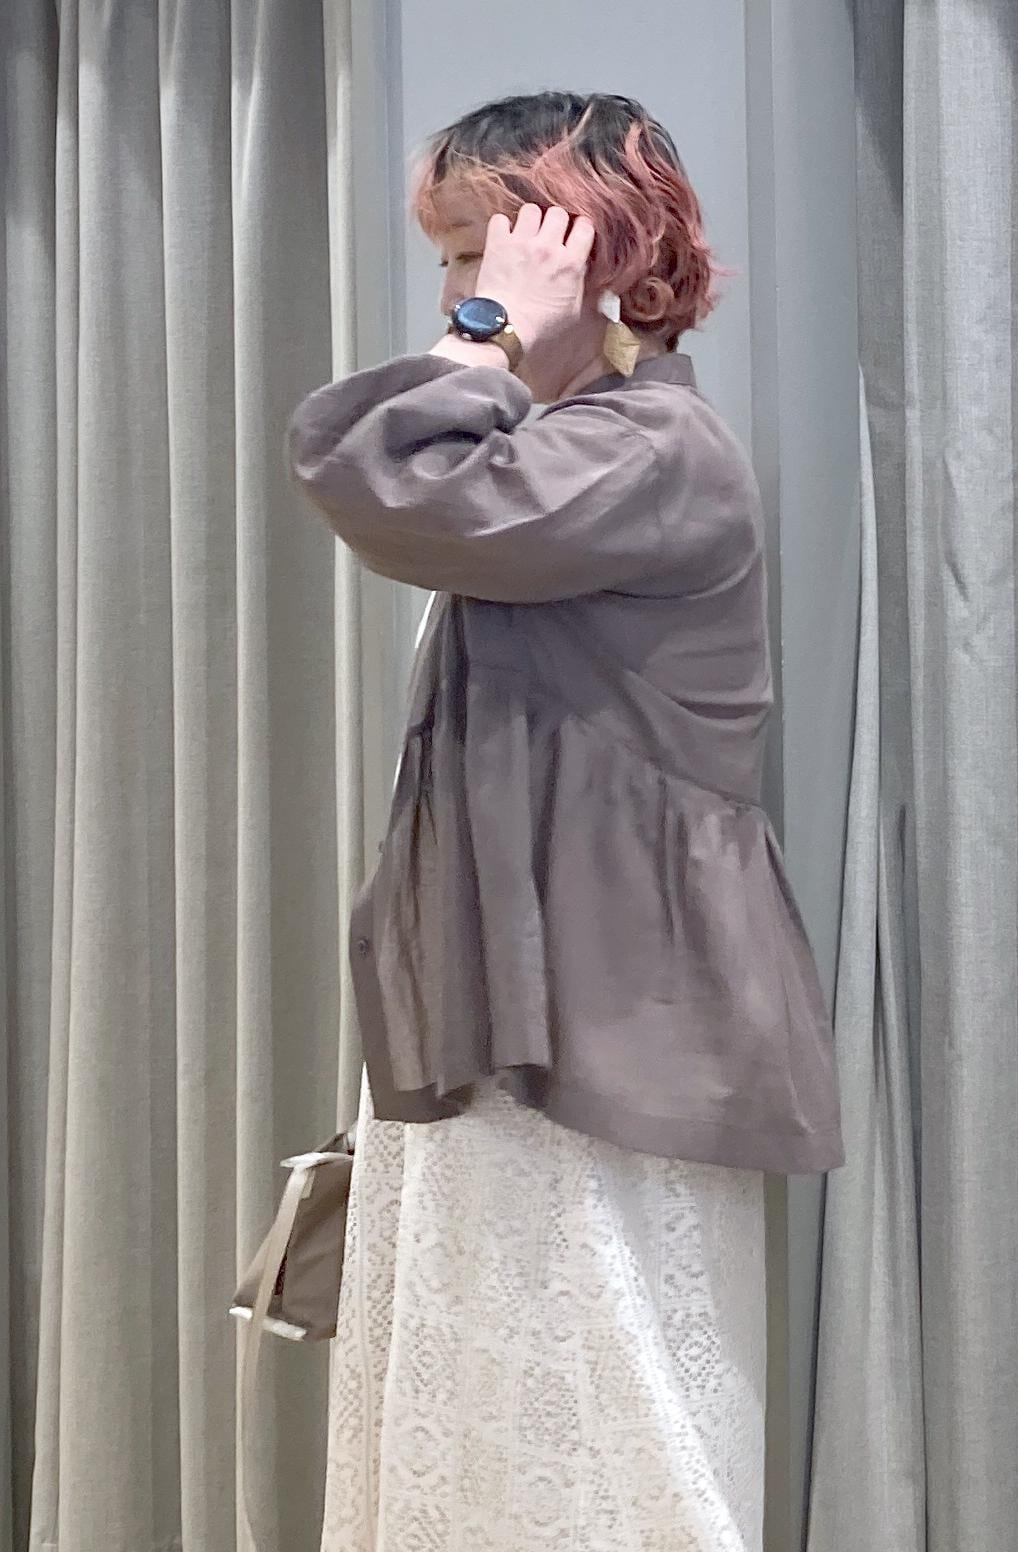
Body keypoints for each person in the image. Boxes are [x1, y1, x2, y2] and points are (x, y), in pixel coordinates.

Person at [291, 90, 844, 1552]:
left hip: (597, 1025)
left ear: (592, 253)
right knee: (493, 1423)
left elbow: (381, 478)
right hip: (516, 1007)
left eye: (483, 254)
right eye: (451, 265)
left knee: (608, 1427)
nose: (458, 297)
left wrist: (489, 336)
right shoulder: (570, 449)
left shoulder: (647, 449)